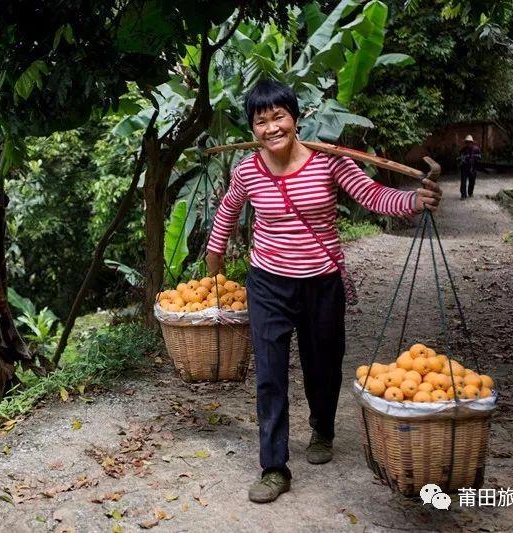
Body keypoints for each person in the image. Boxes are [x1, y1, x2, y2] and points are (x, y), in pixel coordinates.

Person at [205, 79, 442, 504]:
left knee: (323, 364)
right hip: (268, 284)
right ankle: (274, 467)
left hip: (321, 282)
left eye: (279, 116)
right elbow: (228, 208)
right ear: (252, 128)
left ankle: (323, 428)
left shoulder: (329, 162)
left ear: (295, 118)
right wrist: (214, 254)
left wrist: (414, 201)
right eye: (262, 121)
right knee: (270, 376)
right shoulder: (247, 171)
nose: (272, 127)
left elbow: (373, 196)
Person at [459, 134, 481, 199]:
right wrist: (463, 159)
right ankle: (463, 195)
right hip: (464, 168)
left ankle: (470, 193)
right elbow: (459, 158)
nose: (468, 143)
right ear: (465, 143)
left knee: (472, 182)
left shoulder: (476, 149)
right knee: (463, 182)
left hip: (473, 168)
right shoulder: (463, 150)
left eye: (469, 142)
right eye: (467, 142)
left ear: (472, 142)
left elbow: (479, 157)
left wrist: (474, 158)